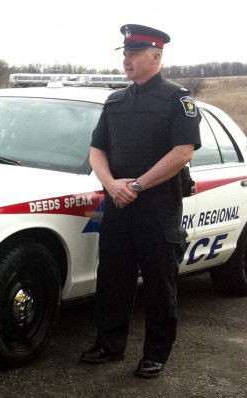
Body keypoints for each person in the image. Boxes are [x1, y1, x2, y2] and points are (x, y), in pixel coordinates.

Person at [81, 24, 201, 378]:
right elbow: (96, 150)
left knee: (159, 282)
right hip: (118, 203)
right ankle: (109, 344)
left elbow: (182, 153)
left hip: (157, 206)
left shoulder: (177, 99)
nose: (126, 60)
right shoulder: (115, 101)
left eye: (133, 54)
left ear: (156, 56)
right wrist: (111, 184)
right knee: (112, 277)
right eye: (125, 53)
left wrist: (135, 186)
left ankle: (155, 354)